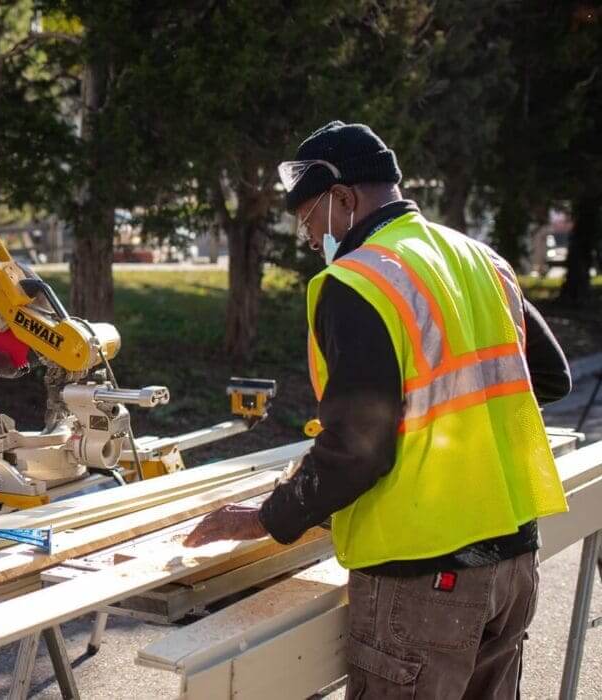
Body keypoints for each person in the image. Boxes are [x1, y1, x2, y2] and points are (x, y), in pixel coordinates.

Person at [186, 121, 574, 698]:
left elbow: (356, 450)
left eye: (311, 218)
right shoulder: (481, 260)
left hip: (424, 580)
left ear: (344, 199)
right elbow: (548, 377)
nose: (309, 236)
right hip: (513, 562)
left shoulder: (359, 280)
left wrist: (268, 518)